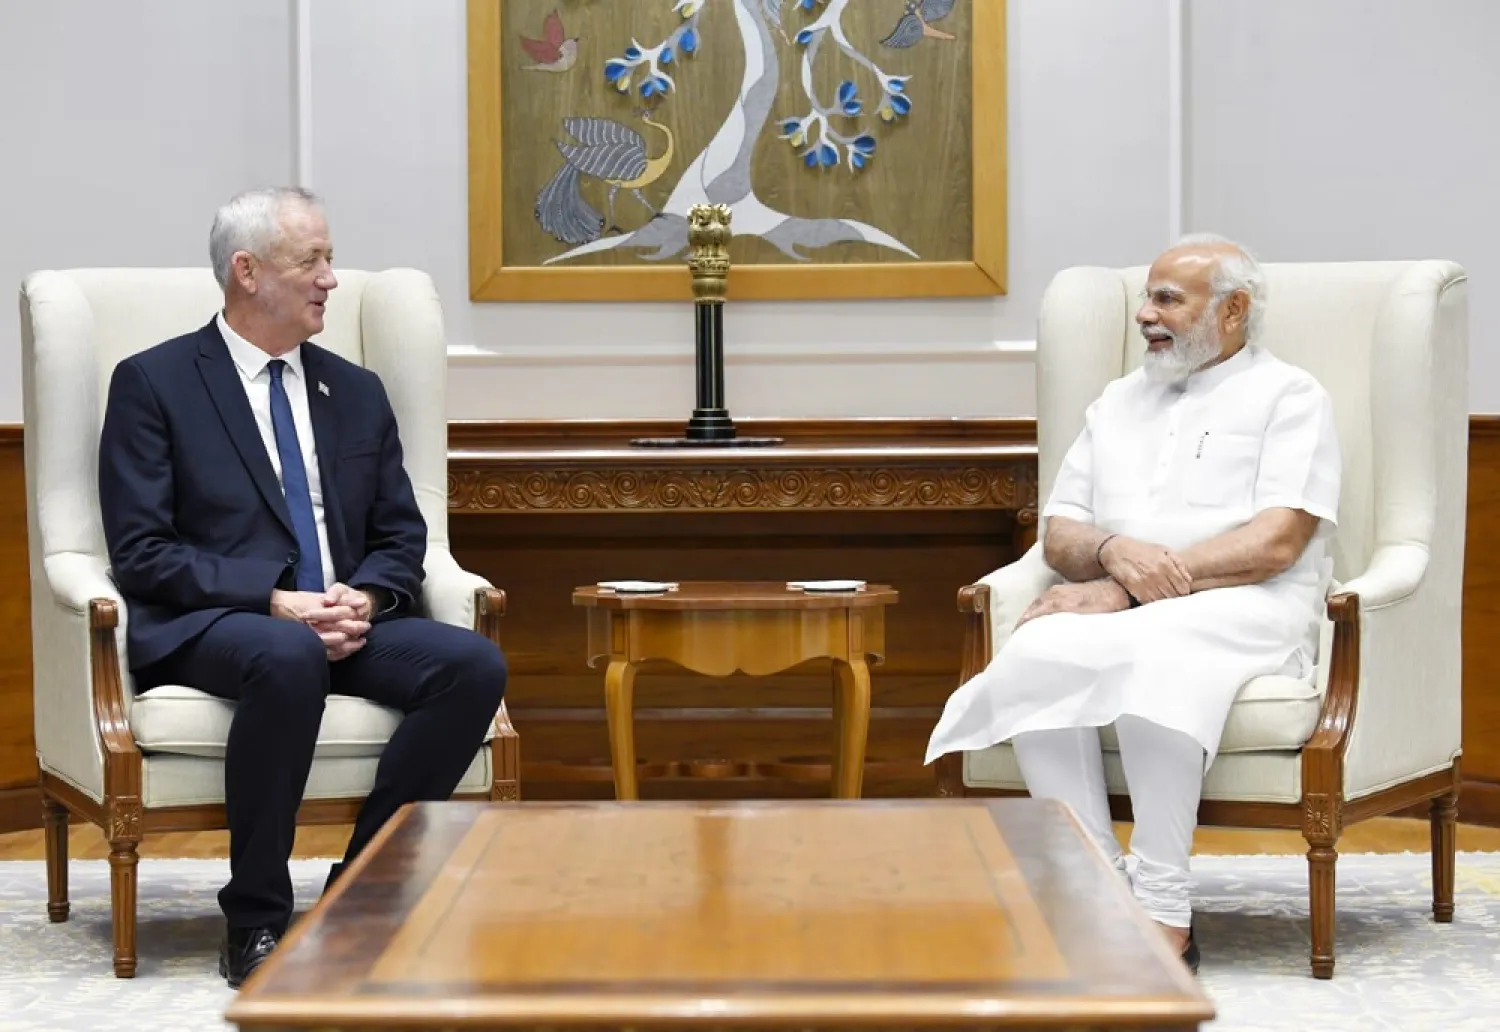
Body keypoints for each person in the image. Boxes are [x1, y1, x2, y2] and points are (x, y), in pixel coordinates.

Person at [97, 186, 507, 988]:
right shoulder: (155, 383)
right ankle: (254, 914)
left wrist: (369, 596)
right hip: (220, 623)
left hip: (340, 617)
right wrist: (271, 599)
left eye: (329, 257)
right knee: (286, 654)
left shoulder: (354, 391)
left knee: (472, 667)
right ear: (247, 272)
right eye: (310, 260)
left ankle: (359, 890)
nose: (330, 278)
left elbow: (401, 535)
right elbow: (142, 552)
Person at [925, 234, 1341, 972]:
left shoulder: (1291, 396)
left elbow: (1277, 542)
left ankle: (1161, 906)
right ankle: (1094, 886)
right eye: (1146, 298)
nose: (1145, 314)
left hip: (1251, 604)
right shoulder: (1116, 401)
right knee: (1039, 649)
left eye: (1167, 300)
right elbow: (1060, 533)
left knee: (1162, 657)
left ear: (1234, 310)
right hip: (1131, 602)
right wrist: (1115, 552)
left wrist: (1123, 589)